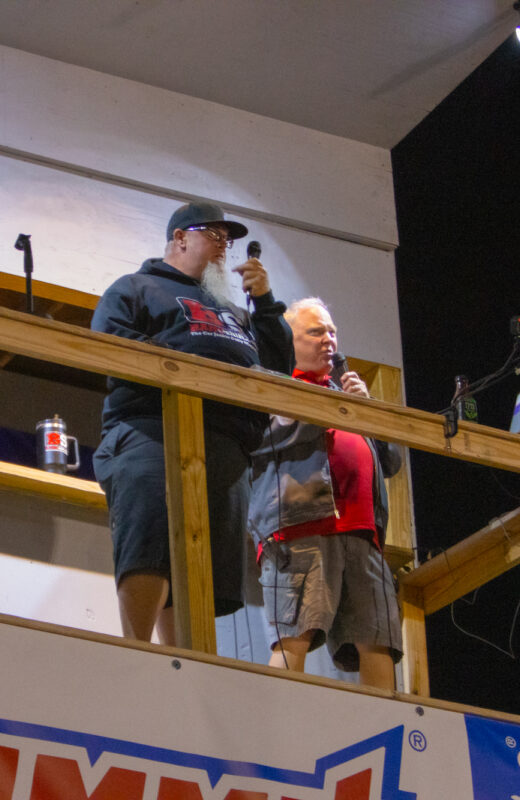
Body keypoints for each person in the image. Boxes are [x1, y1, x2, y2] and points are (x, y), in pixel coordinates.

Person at [91, 201, 293, 644]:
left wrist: (264, 303)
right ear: (180, 237)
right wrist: (195, 369)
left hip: (226, 448)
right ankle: (137, 652)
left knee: (201, 564)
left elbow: (281, 371)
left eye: (230, 240)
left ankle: (185, 669)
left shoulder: (237, 314)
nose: (225, 248)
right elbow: (111, 345)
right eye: (216, 236)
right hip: (152, 430)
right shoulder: (136, 288)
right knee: (150, 545)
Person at [247, 297, 403, 689]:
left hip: (364, 535)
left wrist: (366, 411)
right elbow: (263, 443)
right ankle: (278, 725)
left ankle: (386, 733)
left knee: (378, 641)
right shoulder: (274, 387)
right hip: (302, 527)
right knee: (294, 635)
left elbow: (392, 461)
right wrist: (329, 406)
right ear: (288, 342)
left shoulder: (345, 394)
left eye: (332, 331)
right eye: (315, 332)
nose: (328, 340)